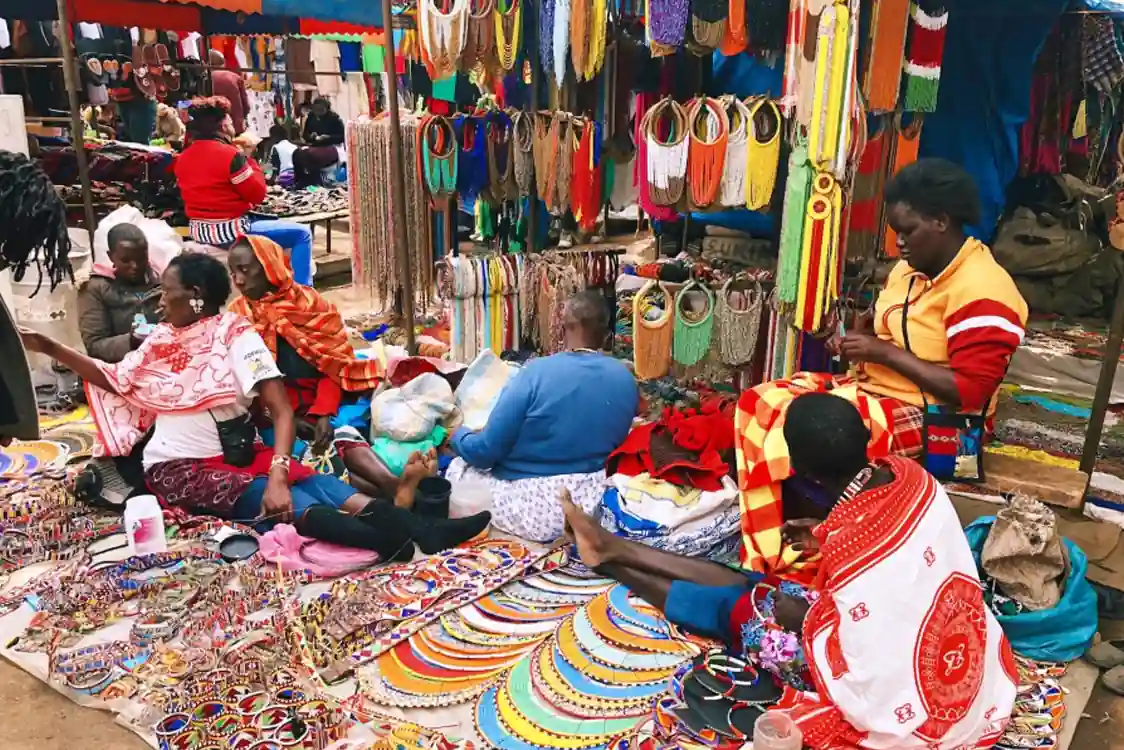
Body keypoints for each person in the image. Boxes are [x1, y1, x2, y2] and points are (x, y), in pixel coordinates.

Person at [562, 393, 1017, 750]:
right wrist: (823, 534)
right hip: (946, 637)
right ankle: (612, 547)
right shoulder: (911, 477)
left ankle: (611, 561)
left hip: (903, 684)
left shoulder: (851, 549)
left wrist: (804, 618)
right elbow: (895, 570)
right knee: (758, 585)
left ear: (801, 471)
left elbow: (862, 652)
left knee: (743, 609)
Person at [20, 252, 490, 561]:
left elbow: (281, 409)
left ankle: (421, 530)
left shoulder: (234, 335)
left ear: (196, 297)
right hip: (176, 467)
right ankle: (400, 539)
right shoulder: (158, 341)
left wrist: (281, 471)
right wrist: (48, 345)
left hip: (239, 455)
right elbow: (114, 377)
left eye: (167, 291)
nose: (160, 301)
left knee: (321, 487)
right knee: (296, 502)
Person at [735, 158, 1029, 580]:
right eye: (896, 232)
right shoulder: (909, 272)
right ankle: (768, 546)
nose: (899, 244)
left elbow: (970, 392)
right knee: (760, 403)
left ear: (942, 222)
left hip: (941, 420)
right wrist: (856, 335)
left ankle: (833, 546)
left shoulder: (984, 290)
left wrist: (883, 353)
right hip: (876, 393)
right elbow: (881, 320)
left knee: (820, 432)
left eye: (908, 232)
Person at [446, 291, 639, 542]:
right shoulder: (626, 378)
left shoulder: (535, 373)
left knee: (456, 468)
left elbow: (484, 452)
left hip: (535, 506)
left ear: (562, 328)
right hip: (593, 505)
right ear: (607, 336)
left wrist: (458, 435)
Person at [227, 235, 406, 500]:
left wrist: (323, 414)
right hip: (272, 411)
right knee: (308, 457)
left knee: (342, 432)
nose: (239, 280)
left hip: (321, 397)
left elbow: (334, 365)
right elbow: (244, 386)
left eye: (245, 270)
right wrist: (288, 420)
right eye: (233, 272)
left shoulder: (311, 305)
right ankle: (395, 496)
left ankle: (393, 488)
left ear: (270, 267)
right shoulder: (237, 317)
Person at [174, 96, 315, 285]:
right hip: (229, 231)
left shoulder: (183, 157)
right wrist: (249, 158)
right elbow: (257, 194)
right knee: (302, 233)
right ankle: (304, 293)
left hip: (199, 230)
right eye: (231, 122)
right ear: (223, 126)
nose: (233, 126)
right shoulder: (230, 155)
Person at [77, 224, 162, 363]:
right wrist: (132, 341)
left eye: (141, 258)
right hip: (120, 367)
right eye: (126, 260)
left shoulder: (163, 280)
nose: (135, 266)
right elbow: (94, 345)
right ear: (111, 256)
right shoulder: (96, 288)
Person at [293, 97, 345, 188]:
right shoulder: (311, 117)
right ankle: (301, 179)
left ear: (326, 109)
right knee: (297, 154)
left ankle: (314, 180)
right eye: (316, 110)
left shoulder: (334, 119)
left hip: (331, 147)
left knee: (311, 155)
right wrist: (311, 136)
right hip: (315, 145)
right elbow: (305, 135)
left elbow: (342, 137)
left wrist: (328, 137)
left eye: (321, 110)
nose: (318, 113)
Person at [208, 49, 250, 136]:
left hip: (212, 128)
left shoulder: (204, 78)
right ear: (223, 63)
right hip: (236, 126)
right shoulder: (235, 77)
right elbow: (246, 105)